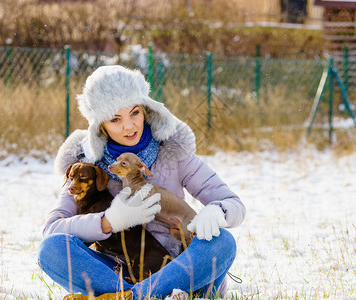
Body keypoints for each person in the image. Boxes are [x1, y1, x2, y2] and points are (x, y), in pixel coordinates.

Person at [37, 65, 246, 300]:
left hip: (178, 269)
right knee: (50, 250)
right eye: (115, 119)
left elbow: (234, 204)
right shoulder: (87, 166)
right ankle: (138, 295)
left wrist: (217, 212)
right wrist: (107, 222)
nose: (129, 126)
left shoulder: (173, 151)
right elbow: (52, 230)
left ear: (146, 110)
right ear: (100, 125)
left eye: (134, 113)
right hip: (114, 272)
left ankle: (129, 297)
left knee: (223, 243)